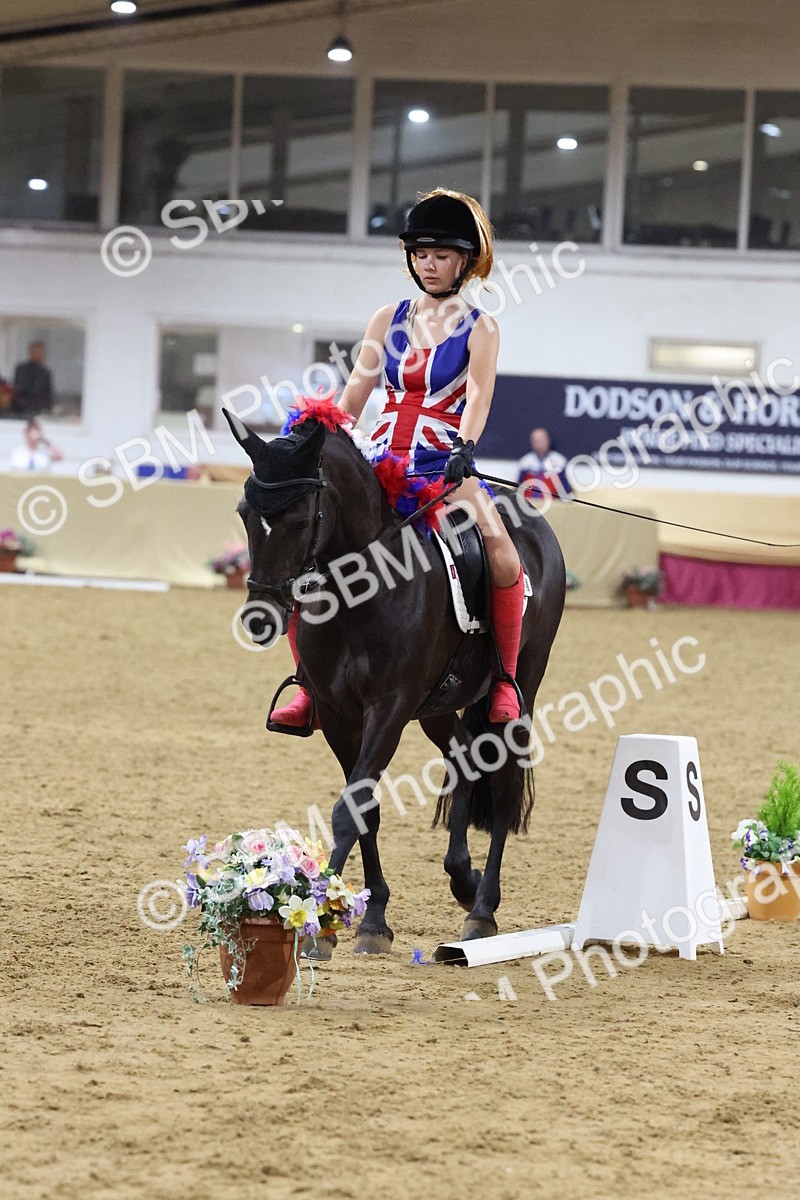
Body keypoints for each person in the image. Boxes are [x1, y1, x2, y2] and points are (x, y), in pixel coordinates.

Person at [272, 187, 526, 730]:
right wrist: (322, 437)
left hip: (441, 465)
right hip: (379, 460)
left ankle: (504, 676)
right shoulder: (387, 319)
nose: (428, 265)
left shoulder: (481, 328)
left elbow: (479, 396)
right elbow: (356, 391)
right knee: (311, 550)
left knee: (504, 554)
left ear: (465, 261)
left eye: (440, 256)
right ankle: (307, 684)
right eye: (420, 255)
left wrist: (466, 449)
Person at [517, 427, 569, 497]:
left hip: (552, 503)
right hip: (529, 501)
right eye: (536, 441)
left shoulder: (559, 461)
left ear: (548, 441)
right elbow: (518, 486)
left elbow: (565, 488)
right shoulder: (525, 462)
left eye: (541, 440)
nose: (539, 444)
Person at [12, 342, 54, 416]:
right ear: (30, 352)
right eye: (36, 351)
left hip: (40, 411)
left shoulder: (46, 372)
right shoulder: (21, 369)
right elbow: (20, 388)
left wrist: (48, 409)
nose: (39, 354)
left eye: (41, 352)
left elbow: (48, 393)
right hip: (21, 409)